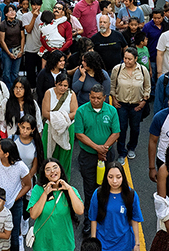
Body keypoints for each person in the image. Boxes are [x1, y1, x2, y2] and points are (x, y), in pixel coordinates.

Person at [73, 84, 121, 235]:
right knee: (90, 190)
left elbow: (116, 133)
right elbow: (79, 134)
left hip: (107, 156)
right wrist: (97, 148)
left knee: (109, 188)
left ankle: (105, 219)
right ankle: (89, 220)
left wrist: (104, 149)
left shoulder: (111, 110)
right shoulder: (81, 111)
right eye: (92, 97)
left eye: (98, 98)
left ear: (104, 98)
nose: (95, 100)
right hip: (88, 156)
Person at [27, 158, 85, 251]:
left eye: (55, 167)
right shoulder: (38, 190)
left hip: (64, 243)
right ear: (44, 174)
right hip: (43, 243)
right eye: (48, 169)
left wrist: (69, 189)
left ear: (60, 170)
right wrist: (45, 193)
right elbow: (33, 215)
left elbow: (80, 211)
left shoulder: (70, 190)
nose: (52, 171)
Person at [0, 139, 31, 251]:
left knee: (14, 234)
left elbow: (27, 185)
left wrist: (15, 198)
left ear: (6, 154)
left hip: (15, 204)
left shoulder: (21, 167)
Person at [89, 162, 144, 251]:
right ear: (106, 177)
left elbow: (135, 219)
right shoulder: (98, 194)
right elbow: (93, 219)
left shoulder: (131, 195)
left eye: (118, 177)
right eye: (110, 177)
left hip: (124, 243)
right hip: (103, 242)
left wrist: (137, 243)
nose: (114, 181)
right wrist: (94, 243)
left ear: (123, 177)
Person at [111, 47, 152, 162]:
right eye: (125, 58)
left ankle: (131, 148)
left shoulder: (143, 70)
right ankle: (121, 152)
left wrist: (144, 101)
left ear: (136, 59)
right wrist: (114, 99)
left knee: (135, 128)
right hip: (121, 105)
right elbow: (113, 85)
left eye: (130, 59)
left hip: (136, 105)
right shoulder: (117, 69)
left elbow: (147, 87)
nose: (127, 61)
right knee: (121, 128)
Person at [42, 74, 78, 177]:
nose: (62, 88)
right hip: (50, 127)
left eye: (65, 85)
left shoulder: (71, 94)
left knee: (64, 154)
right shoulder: (49, 93)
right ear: (55, 84)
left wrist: (60, 119)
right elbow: (45, 113)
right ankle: (47, 178)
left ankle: (64, 178)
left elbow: (75, 112)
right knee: (48, 153)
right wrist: (60, 118)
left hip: (67, 128)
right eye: (60, 85)